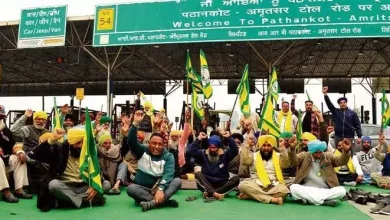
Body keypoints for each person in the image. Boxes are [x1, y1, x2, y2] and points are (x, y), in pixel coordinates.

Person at [28, 129, 110, 211]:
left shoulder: (87, 151)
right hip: (66, 187)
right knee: (54, 185)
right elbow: (32, 156)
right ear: (71, 142)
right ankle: (85, 201)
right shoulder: (59, 149)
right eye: (78, 143)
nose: (81, 146)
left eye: (83, 142)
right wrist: (51, 140)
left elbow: (97, 171)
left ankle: (67, 202)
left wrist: (94, 185)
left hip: (85, 187)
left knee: (106, 184)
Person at [125, 110, 181, 212]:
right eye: (154, 143)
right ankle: (164, 201)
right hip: (143, 188)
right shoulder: (142, 150)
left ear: (164, 145)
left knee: (177, 181)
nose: (156, 146)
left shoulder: (168, 156)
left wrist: (160, 189)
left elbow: (169, 174)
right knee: (131, 189)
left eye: (160, 144)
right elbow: (131, 142)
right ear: (149, 143)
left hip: (161, 188)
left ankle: (152, 202)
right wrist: (135, 123)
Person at [289, 139, 351, 206]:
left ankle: (309, 200)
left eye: (320, 152)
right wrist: (292, 149)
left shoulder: (328, 156)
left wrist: (346, 151)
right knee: (293, 188)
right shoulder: (304, 156)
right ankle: (324, 201)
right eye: (316, 153)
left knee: (341, 191)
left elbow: (340, 162)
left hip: (325, 190)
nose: (318, 155)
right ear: (311, 152)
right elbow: (294, 162)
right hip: (306, 188)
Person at [238, 135, 290, 205]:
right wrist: (247, 145)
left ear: (272, 146)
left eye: (269, 145)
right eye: (264, 145)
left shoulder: (278, 156)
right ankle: (272, 199)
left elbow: (285, 164)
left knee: (285, 191)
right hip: (256, 185)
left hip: (273, 185)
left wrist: (283, 149)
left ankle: (251, 196)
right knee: (243, 185)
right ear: (260, 146)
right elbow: (244, 161)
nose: (266, 148)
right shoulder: (254, 155)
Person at [188, 131, 240, 201]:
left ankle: (210, 193)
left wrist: (229, 138)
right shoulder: (203, 153)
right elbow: (190, 150)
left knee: (236, 179)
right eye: (211, 147)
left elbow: (235, 150)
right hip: (206, 182)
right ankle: (215, 194)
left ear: (218, 147)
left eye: (214, 147)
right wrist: (199, 138)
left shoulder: (225, 154)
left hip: (221, 182)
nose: (212, 150)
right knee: (198, 174)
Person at [323, 87, 362, 153]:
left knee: (350, 153)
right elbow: (329, 104)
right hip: (338, 137)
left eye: (344, 102)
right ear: (339, 104)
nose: (343, 103)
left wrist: (359, 136)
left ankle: (350, 163)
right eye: (341, 103)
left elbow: (357, 125)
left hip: (349, 136)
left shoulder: (352, 113)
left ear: (346, 103)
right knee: (339, 153)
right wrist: (325, 94)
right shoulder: (336, 112)